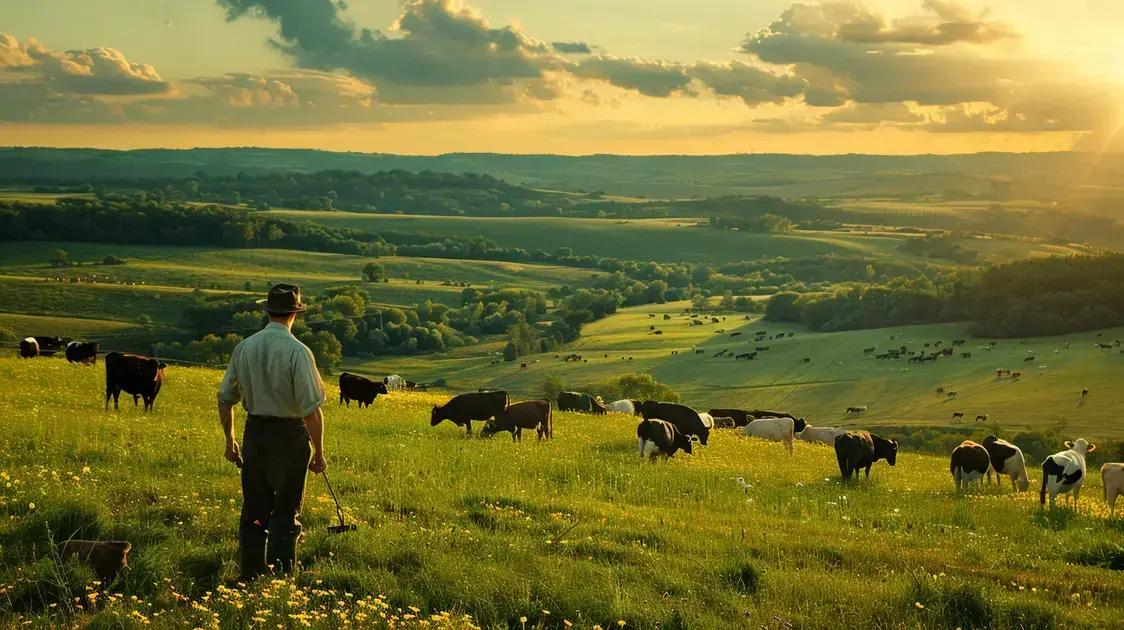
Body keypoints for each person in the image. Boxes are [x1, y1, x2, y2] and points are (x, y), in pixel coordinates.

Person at [217, 283, 327, 580]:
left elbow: (225, 399)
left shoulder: (245, 347)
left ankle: (250, 574)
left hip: (254, 433)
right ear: (295, 313)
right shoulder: (298, 352)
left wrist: (230, 441)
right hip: (289, 436)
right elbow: (311, 410)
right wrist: (319, 453)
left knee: (254, 508)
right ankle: (280, 576)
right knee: (286, 510)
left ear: (268, 311)